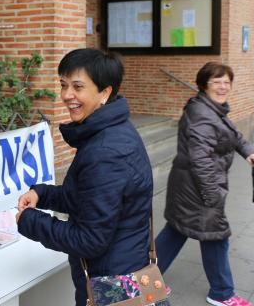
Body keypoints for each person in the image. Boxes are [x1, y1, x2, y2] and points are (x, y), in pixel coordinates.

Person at [15, 48, 153, 306]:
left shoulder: (105, 151)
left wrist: (30, 220)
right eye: (63, 85)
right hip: (126, 265)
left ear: (105, 93)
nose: (67, 95)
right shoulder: (113, 131)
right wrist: (42, 194)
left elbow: (89, 240)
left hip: (110, 282)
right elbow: (88, 197)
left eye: (78, 87)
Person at [155, 62, 254, 306]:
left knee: (177, 230)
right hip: (198, 188)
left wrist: (248, 151)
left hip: (189, 186)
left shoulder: (213, 109)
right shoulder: (202, 113)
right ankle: (221, 293)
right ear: (204, 85)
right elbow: (200, 159)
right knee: (215, 235)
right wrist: (213, 196)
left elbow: (232, 132)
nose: (223, 87)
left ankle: (144, 279)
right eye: (217, 82)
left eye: (226, 82)